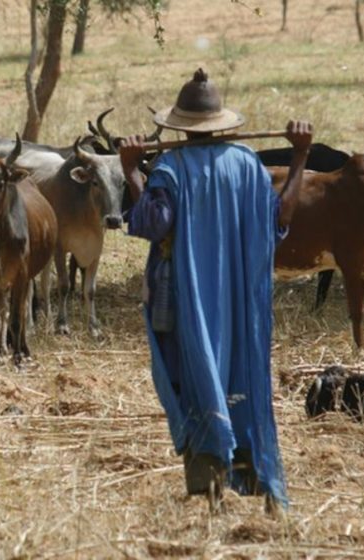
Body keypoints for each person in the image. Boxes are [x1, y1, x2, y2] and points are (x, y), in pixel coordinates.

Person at [119, 68, 312, 513]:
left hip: (187, 300)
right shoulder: (248, 165)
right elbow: (279, 219)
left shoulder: (170, 167)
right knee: (240, 376)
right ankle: (252, 472)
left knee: (193, 375)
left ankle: (208, 486)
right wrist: (300, 157)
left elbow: (153, 223)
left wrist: (132, 170)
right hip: (240, 304)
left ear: (179, 126)